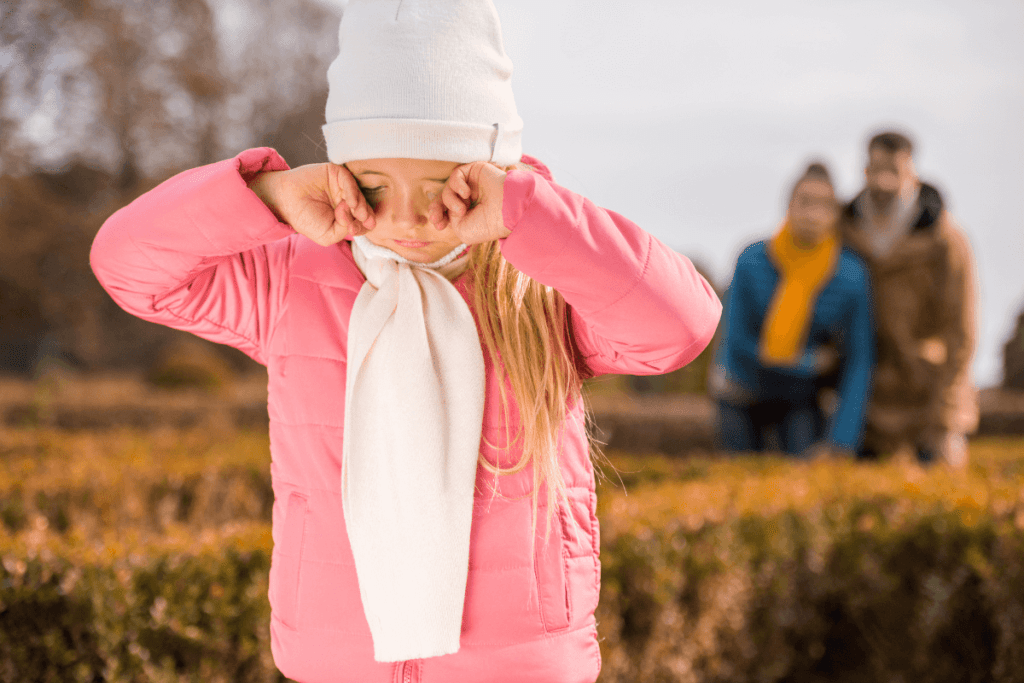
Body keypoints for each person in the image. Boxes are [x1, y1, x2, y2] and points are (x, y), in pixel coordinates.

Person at [88, 1, 722, 681]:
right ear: (341, 170)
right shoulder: (294, 277)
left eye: (440, 185)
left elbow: (679, 325)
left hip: (514, 662)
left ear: (490, 170)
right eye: (375, 184)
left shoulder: (538, 283)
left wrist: (528, 215)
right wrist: (268, 197)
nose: (409, 218)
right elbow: (129, 265)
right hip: (341, 656)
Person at [710, 162, 874, 458]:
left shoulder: (849, 275)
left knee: (803, 476)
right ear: (788, 206)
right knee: (741, 476)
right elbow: (737, 343)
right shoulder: (752, 259)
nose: (813, 214)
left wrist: (842, 441)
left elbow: (859, 360)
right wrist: (809, 363)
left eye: (824, 205)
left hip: (800, 397)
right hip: (742, 389)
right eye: (805, 202)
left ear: (836, 214)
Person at [838, 131, 978, 468]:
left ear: (912, 172)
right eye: (876, 167)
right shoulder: (843, 231)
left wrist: (947, 421)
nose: (884, 179)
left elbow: (961, 334)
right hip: (863, 407)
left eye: (895, 169)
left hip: (925, 405)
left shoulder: (946, 242)